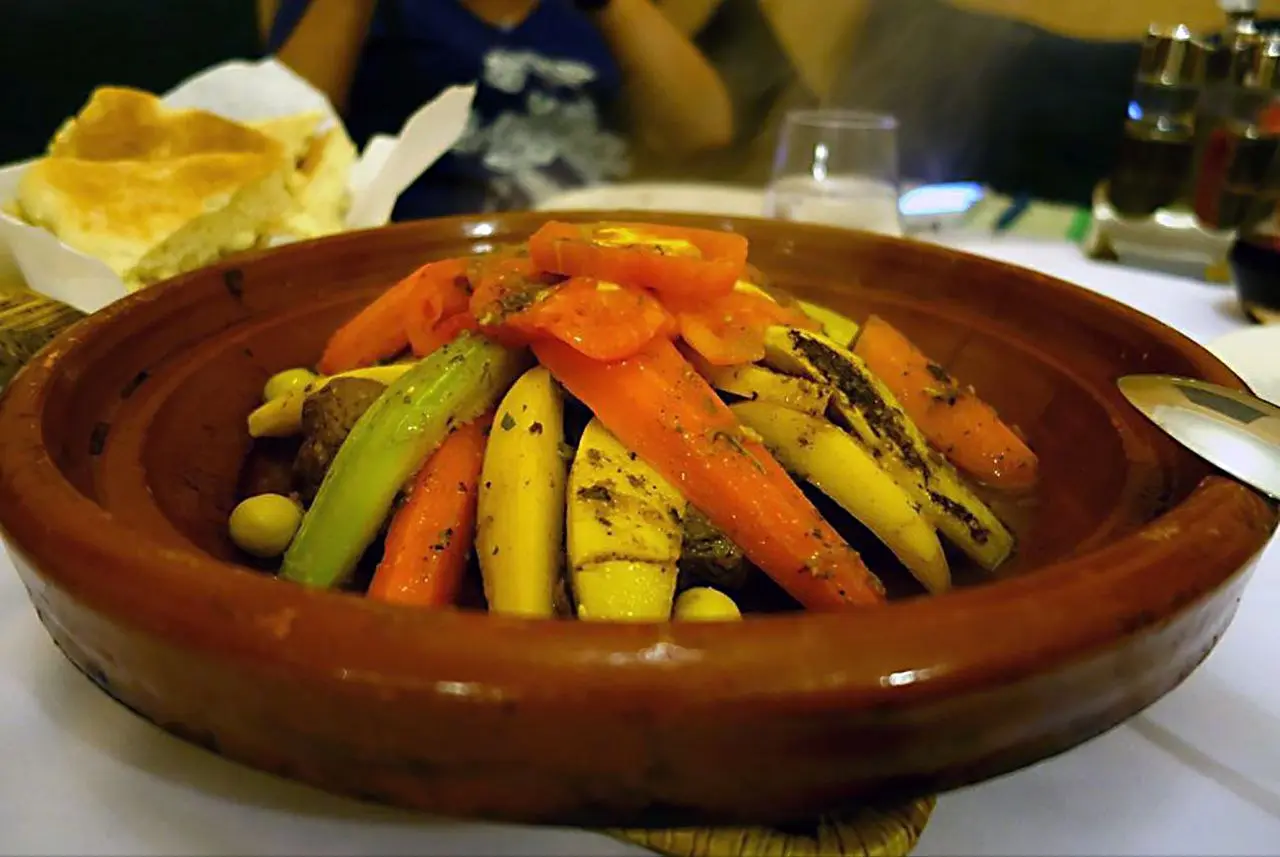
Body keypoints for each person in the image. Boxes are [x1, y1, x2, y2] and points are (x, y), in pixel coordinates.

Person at [264, 0, 733, 219]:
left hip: (598, 243)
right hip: (430, 251)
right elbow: (285, 128)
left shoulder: (585, 15)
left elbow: (706, 129)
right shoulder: (383, 11)